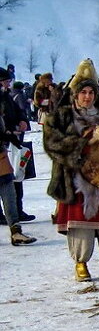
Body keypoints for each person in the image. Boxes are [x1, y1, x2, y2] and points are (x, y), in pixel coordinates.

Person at [43, 65, 99, 279]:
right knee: (81, 227)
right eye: (83, 92)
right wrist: (84, 143)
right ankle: (81, 263)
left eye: (91, 92)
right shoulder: (61, 116)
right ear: (75, 93)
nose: (87, 97)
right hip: (75, 178)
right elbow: (52, 143)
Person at [0, 68, 37, 245]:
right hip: (4, 144)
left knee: (9, 188)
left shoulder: (5, 96)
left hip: (3, 150)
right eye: (5, 81)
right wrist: (6, 132)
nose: (7, 84)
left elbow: (18, 111)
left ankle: (16, 230)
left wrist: (22, 120)